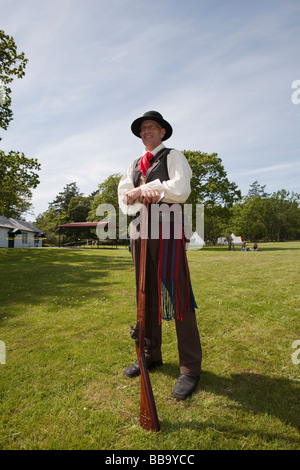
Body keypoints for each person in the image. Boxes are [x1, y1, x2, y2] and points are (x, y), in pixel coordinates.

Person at [118, 111, 202, 400]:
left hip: (167, 230)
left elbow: (179, 189)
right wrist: (142, 193)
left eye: (152, 127)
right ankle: (150, 355)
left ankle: (190, 368)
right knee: (145, 295)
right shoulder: (134, 165)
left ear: (163, 132)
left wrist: (144, 190)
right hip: (139, 233)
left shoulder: (173, 156)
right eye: (143, 128)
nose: (147, 131)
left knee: (178, 295)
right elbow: (124, 196)